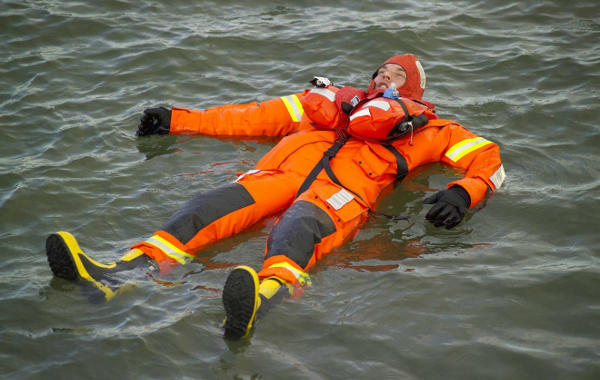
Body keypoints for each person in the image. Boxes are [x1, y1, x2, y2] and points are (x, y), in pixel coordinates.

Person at [45, 54, 505, 339]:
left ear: (414, 90)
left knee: (295, 230)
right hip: (274, 176)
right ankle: (116, 273)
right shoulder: (321, 107)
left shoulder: (434, 130)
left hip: (337, 197)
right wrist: (178, 120)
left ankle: (259, 300)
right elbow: (246, 118)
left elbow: (487, 160)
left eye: (398, 74)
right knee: (202, 208)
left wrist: (464, 193)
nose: (386, 76)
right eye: (382, 70)